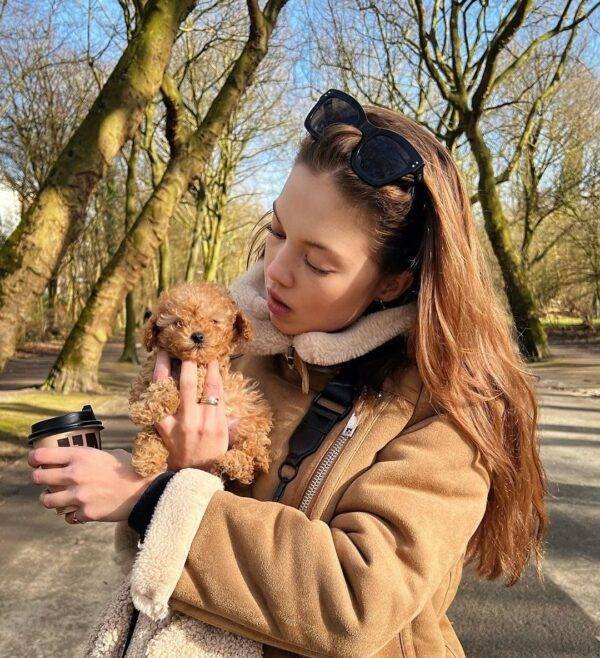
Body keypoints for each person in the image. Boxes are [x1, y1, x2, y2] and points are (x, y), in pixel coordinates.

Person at [28, 89, 547, 657]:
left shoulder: (452, 405)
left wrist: (151, 499)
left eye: (317, 262)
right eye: (277, 231)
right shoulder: (242, 346)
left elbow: (357, 603)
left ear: (394, 282)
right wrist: (173, 467)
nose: (274, 271)